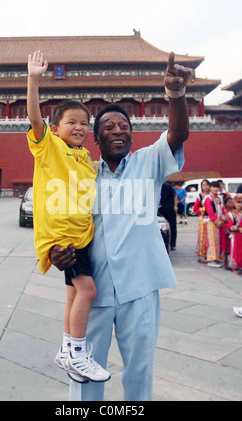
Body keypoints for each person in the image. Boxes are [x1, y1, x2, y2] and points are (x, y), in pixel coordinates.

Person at [50, 52, 195, 401]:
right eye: (109, 127)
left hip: (140, 288)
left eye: (124, 127)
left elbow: (178, 133)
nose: (119, 131)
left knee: (140, 370)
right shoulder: (80, 174)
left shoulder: (148, 162)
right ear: (95, 139)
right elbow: (57, 222)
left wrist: (175, 94)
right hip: (94, 289)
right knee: (85, 372)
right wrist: (55, 251)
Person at [26, 50, 110, 383]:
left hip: (82, 234)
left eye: (83, 124)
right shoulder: (50, 147)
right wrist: (34, 79)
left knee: (75, 294)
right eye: (70, 122)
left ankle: (66, 350)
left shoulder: (85, 156)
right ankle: (77, 353)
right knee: (88, 291)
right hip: (64, 238)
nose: (78, 127)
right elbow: (35, 118)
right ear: (56, 128)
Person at [203, 181, 225, 268]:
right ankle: (211, 259)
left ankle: (217, 258)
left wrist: (223, 218)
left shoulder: (219, 198)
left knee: (218, 241)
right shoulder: (208, 198)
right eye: (214, 187)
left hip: (219, 221)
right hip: (212, 222)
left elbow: (222, 209)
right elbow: (210, 212)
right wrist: (217, 221)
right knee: (212, 241)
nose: (216, 189)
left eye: (217, 187)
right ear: (210, 188)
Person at [226, 201, 242, 275]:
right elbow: (229, 225)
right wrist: (238, 229)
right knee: (235, 250)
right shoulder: (231, 214)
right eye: (237, 203)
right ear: (234, 204)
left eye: (240, 203)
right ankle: (234, 267)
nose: (239, 205)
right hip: (236, 235)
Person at [193, 179, 211, 263]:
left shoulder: (212, 195)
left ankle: (210, 253)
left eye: (207, 185)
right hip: (203, 218)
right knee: (203, 236)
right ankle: (203, 254)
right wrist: (203, 210)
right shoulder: (200, 196)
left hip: (211, 219)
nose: (206, 187)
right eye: (204, 185)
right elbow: (195, 208)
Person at [159, 182, 177, 251]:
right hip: (161, 208)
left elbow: (175, 196)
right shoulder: (155, 185)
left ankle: (172, 244)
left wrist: (175, 206)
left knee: (172, 226)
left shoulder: (167, 186)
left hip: (170, 208)